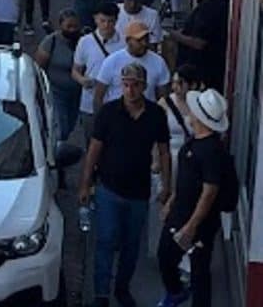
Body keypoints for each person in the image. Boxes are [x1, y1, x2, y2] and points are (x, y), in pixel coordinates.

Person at [78, 63, 171, 307]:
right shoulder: (108, 113)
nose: (130, 90)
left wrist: (167, 185)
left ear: (144, 86)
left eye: (135, 85)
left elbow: (164, 152)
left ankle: (122, 288)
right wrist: (85, 185)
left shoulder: (155, 115)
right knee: (106, 240)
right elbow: (94, 151)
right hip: (108, 188)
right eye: (126, 85)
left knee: (131, 246)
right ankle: (101, 293)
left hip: (139, 192)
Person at [156, 89, 228, 307]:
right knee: (165, 255)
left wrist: (191, 226)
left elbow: (209, 192)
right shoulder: (193, 142)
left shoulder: (212, 151)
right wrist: (171, 201)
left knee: (199, 270)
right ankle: (176, 292)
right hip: (179, 212)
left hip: (196, 222)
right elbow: (185, 180)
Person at [167, 0, 230, 91]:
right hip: (214, 71)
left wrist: (174, 35)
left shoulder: (208, 8)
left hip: (201, 74)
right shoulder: (221, 2)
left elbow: (199, 42)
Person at [72, 2, 125, 140]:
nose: (106, 25)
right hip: (90, 103)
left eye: (111, 21)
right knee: (92, 141)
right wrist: (82, 80)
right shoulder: (84, 42)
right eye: (102, 21)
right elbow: (76, 70)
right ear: (95, 19)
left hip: (116, 102)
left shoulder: (124, 43)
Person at [33, 9, 83, 142]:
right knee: (61, 127)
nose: (72, 30)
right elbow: (38, 67)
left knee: (70, 124)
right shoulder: (50, 42)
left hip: (77, 93)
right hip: (56, 92)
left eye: (75, 26)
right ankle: (55, 153)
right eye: (69, 26)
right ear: (61, 26)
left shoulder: (84, 42)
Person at [94, 20, 171, 105]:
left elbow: (164, 97)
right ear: (128, 41)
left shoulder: (158, 62)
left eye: (146, 39)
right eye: (139, 40)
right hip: (118, 114)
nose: (144, 43)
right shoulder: (112, 61)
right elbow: (98, 96)